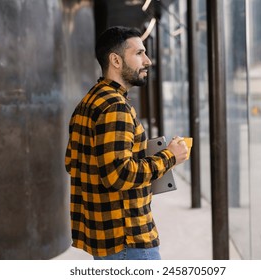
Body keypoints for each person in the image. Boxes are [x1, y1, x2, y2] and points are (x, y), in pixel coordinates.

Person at [65, 26, 188, 260]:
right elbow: (118, 175)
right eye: (139, 53)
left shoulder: (88, 102)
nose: (148, 60)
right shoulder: (115, 107)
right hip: (128, 242)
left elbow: (72, 163)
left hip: (104, 238)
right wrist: (169, 156)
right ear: (116, 60)